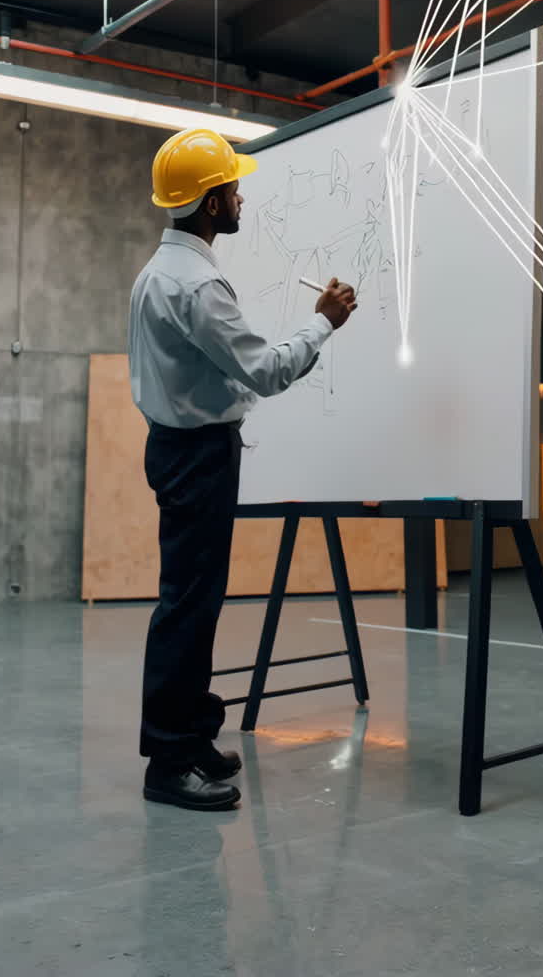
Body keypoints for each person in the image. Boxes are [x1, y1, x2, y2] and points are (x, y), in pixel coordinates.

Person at [128, 127, 357, 811]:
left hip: (177, 451)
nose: (240, 198)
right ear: (208, 203)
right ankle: (168, 761)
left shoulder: (156, 274)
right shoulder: (197, 285)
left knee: (193, 602)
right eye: (231, 189)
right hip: (197, 458)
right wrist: (323, 323)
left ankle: (190, 736)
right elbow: (265, 368)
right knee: (188, 606)